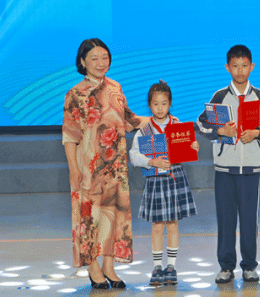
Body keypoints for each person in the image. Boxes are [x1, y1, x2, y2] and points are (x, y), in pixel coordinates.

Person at [62, 38, 144, 289]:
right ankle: (93, 267)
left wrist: (165, 119)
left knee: (114, 215)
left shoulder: (116, 87)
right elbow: (70, 135)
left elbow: (129, 120)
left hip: (115, 168)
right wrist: (73, 169)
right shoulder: (75, 94)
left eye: (105, 57)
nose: (100, 63)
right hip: (88, 166)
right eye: (94, 58)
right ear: (82, 62)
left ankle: (109, 266)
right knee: (90, 216)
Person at [196, 45, 260, 285]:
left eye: (244, 65)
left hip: (251, 170)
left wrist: (257, 133)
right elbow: (201, 124)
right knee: (226, 220)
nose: (240, 71)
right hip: (224, 170)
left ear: (252, 67)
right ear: (227, 67)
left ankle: (249, 266)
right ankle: (226, 267)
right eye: (235, 66)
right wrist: (220, 131)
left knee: (250, 220)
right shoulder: (220, 96)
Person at [129, 80, 199, 287]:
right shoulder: (144, 130)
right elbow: (134, 156)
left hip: (175, 177)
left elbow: (188, 149)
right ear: (149, 105)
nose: (160, 108)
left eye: (164, 103)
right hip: (155, 181)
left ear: (170, 104)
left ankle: (171, 267)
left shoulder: (177, 126)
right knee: (157, 225)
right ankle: (157, 267)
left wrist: (193, 146)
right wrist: (152, 162)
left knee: (173, 223)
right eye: (155, 104)